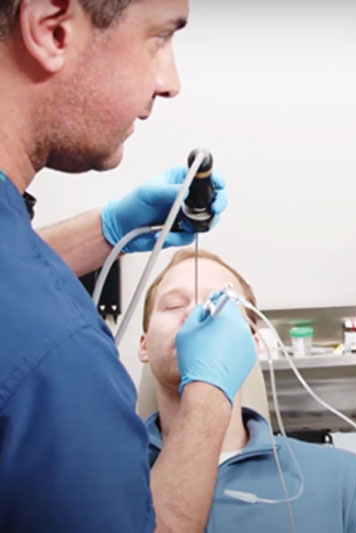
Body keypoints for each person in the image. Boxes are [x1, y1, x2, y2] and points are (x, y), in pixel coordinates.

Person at [0, 1, 256, 531]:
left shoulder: (338, 479)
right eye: (160, 38)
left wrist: (111, 229)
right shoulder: (62, 356)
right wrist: (209, 397)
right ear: (52, 29)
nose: (171, 82)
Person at [139, 248, 356, 533]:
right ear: (144, 346)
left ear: (251, 346)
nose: (196, 315)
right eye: (174, 305)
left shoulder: (344, 479)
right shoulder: (99, 483)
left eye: (220, 302)